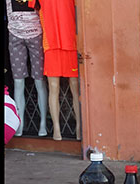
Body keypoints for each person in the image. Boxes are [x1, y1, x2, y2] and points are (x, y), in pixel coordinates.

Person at [29, 0, 82, 141]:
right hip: (52, 44)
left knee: (75, 88)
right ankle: (57, 129)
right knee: (54, 87)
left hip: (71, 42)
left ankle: (79, 127)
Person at [6, 0, 48, 137]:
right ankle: (20, 122)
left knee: (39, 80)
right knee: (18, 81)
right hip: (14, 34)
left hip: (36, 33)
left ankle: (43, 123)